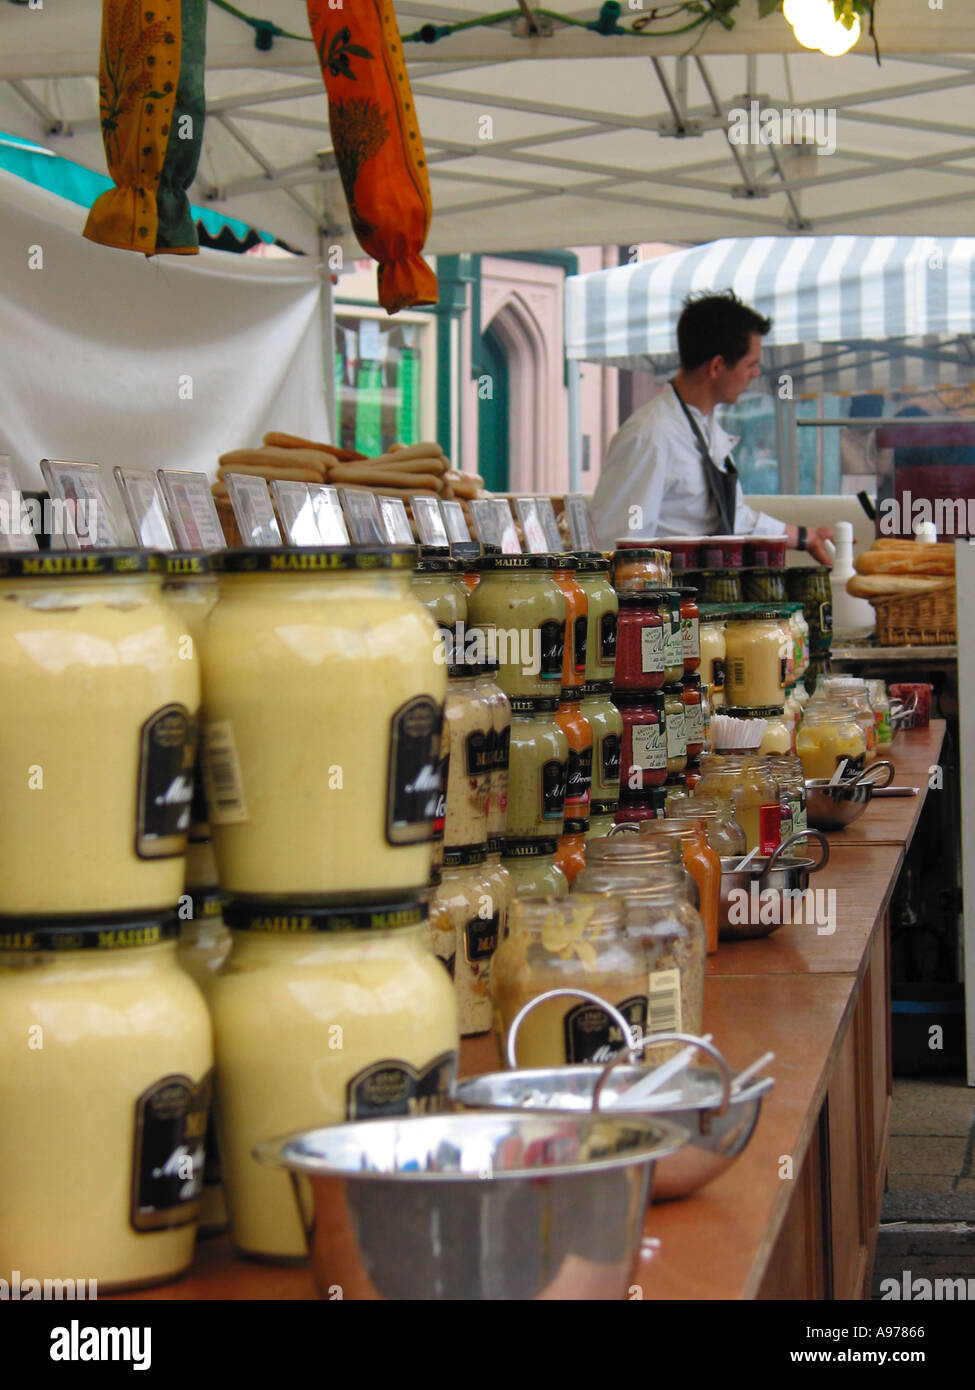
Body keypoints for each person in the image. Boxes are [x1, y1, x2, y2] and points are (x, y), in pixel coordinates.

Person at [591, 290, 834, 565]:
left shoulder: (701, 426)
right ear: (717, 366)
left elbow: (733, 517)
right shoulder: (649, 436)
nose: (755, 374)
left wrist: (804, 536)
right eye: (751, 364)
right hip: (665, 602)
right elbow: (618, 542)